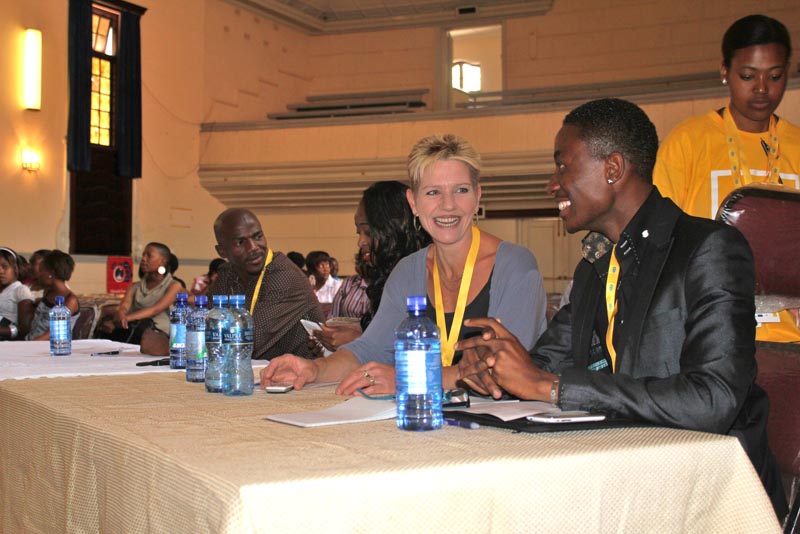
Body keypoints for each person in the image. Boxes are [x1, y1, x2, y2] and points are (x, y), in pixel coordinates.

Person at [457, 98, 787, 518]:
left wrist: (552, 387)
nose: (552, 185)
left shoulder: (708, 249)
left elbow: (713, 399)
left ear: (612, 168)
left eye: (563, 166)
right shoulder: (595, 267)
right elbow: (542, 365)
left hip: (708, 497)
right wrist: (494, 371)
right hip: (626, 478)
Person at [262, 133, 548, 395]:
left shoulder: (515, 266)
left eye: (461, 190)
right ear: (414, 203)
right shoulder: (408, 271)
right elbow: (369, 349)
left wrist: (407, 379)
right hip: (429, 415)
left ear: (478, 197)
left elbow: (502, 368)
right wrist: (314, 369)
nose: (448, 205)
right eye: (433, 192)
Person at [653, 14, 799, 343]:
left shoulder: (797, 145)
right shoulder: (688, 142)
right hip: (710, 334)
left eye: (775, 76)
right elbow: (660, 239)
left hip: (789, 339)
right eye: (748, 75)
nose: (762, 88)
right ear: (724, 71)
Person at [316, 180, 431, 352]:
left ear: (393, 230)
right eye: (359, 232)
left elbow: (423, 348)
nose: (361, 242)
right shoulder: (384, 279)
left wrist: (359, 341)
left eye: (368, 232)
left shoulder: (423, 275)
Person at [209, 208, 325, 360]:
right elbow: (206, 328)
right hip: (254, 370)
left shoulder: (283, 275)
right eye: (240, 242)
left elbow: (247, 342)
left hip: (303, 372)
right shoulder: (227, 274)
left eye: (258, 237)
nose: (253, 247)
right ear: (222, 251)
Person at [97, 242, 183, 355]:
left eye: (149, 256)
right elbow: (124, 305)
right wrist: (121, 313)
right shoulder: (134, 287)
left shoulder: (174, 286)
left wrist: (126, 318)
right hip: (135, 328)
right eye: (143, 255)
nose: (143, 259)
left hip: (159, 334)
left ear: (163, 261)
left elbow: (155, 309)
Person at [26, 250, 80, 340]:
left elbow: (54, 332)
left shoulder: (70, 300)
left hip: (49, 345)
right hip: (32, 341)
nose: (39, 275)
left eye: (41, 271)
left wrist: (28, 345)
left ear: (51, 273)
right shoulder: (48, 292)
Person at [0, 247, 34, 341]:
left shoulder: (20, 290)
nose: (0, 271)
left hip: (8, 341)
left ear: (15, 268)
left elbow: (24, 329)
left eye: (5, 267)